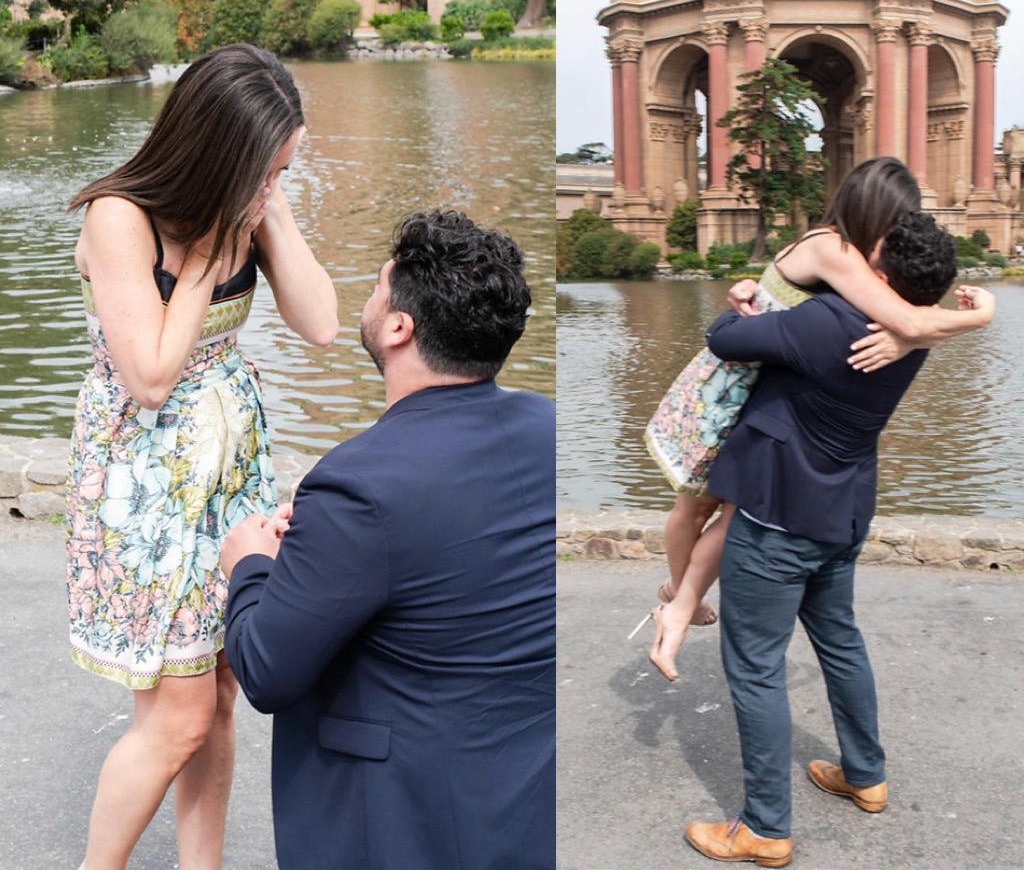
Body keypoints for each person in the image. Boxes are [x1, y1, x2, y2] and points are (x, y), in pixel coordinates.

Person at [65, 43, 338, 870]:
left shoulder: (248, 204)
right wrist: (201, 274)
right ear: (216, 149)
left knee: (219, 697)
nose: (274, 180)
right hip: (147, 482)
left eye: (283, 167)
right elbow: (148, 376)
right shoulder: (120, 218)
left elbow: (322, 324)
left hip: (231, 473)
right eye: (267, 167)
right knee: (176, 716)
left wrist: (273, 213)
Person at [219, 210, 556, 870]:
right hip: (521, 791)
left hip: (402, 817)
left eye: (378, 288)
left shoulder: (358, 484)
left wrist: (250, 564)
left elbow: (265, 671)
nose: (369, 301)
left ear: (400, 327)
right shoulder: (546, 427)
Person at [681, 213, 993, 866]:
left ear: (877, 273)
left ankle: (764, 828)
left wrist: (738, 301)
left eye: (864, 253)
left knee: (755, 668)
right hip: (843, 514)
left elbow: (723, 339)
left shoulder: (829, 321)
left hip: (778, 518)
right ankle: (865, 774)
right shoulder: (914, 337)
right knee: (841, 641)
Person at [640, 158, 992, 674]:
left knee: (733, 507)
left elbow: (901, 319)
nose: (901, 231)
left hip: (772, 380)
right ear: (879, 212)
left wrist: (907, 333)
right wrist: (979, 316)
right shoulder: (834, 249)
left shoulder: (846, 255)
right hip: (736, 378)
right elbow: (908, 320)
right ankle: (679, 591)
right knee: (695, 504)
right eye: (900, 217)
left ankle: (681, 597)